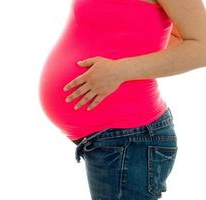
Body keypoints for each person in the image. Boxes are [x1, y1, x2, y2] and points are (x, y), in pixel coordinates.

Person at [38, 0, 206, 199]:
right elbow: (173, 36)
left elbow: (202, 49)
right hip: (114, 138)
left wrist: (121, 70)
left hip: (131, 137)